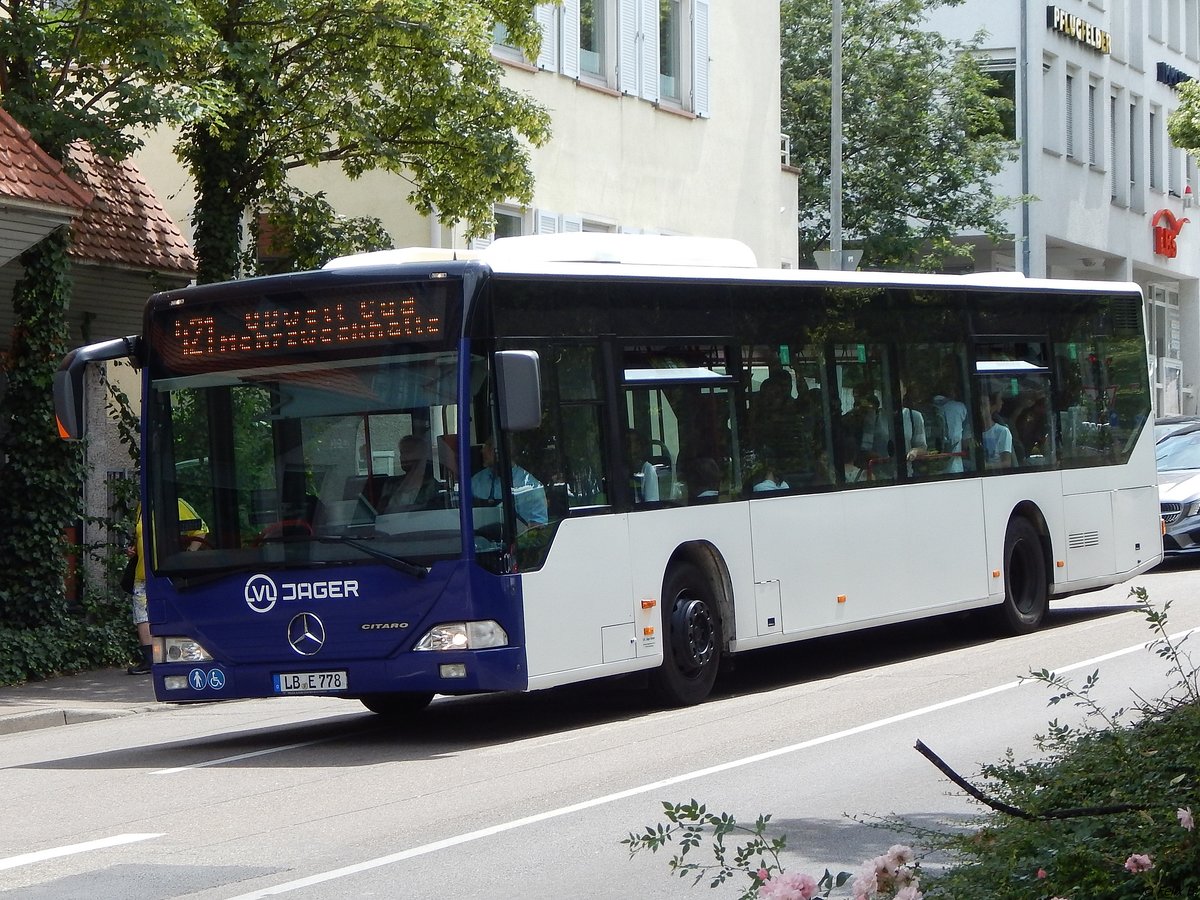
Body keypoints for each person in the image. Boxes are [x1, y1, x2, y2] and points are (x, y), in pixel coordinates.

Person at [126, 499, 207, 675]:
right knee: (142, 616)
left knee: (169, 610)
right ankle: (149, 659)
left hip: (166, 571)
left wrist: (188, 556)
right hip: (143, 573)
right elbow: (141, 538)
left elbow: (201, 530)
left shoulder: (176, 503)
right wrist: (134, 550)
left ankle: (182, 653)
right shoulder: (142, 506)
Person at [471, 437, 548, 528]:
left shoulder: (531, 488)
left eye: (489, 446)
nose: (482, 450)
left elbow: (538, 529)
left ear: (502, 452)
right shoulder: (476, 481)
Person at [380, 434, 439, 511]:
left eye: (408, 452)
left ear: (421, 455)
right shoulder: (391, 483)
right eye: (402, 453)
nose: (402, 457)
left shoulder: (432, 485)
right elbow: (381, 512)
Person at [981, 393, 1015, 469]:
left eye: (984, 405)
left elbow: (1006, 463)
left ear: (992, 407)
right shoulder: (970, 432)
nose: (980, 409)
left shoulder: (1002, 431)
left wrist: (985, 466)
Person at [626, 429, 660, 502]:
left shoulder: (647, 469)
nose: (633, 446)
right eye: (628, 443)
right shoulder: (620, 470)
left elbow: (651, 502)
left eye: (636, 442)